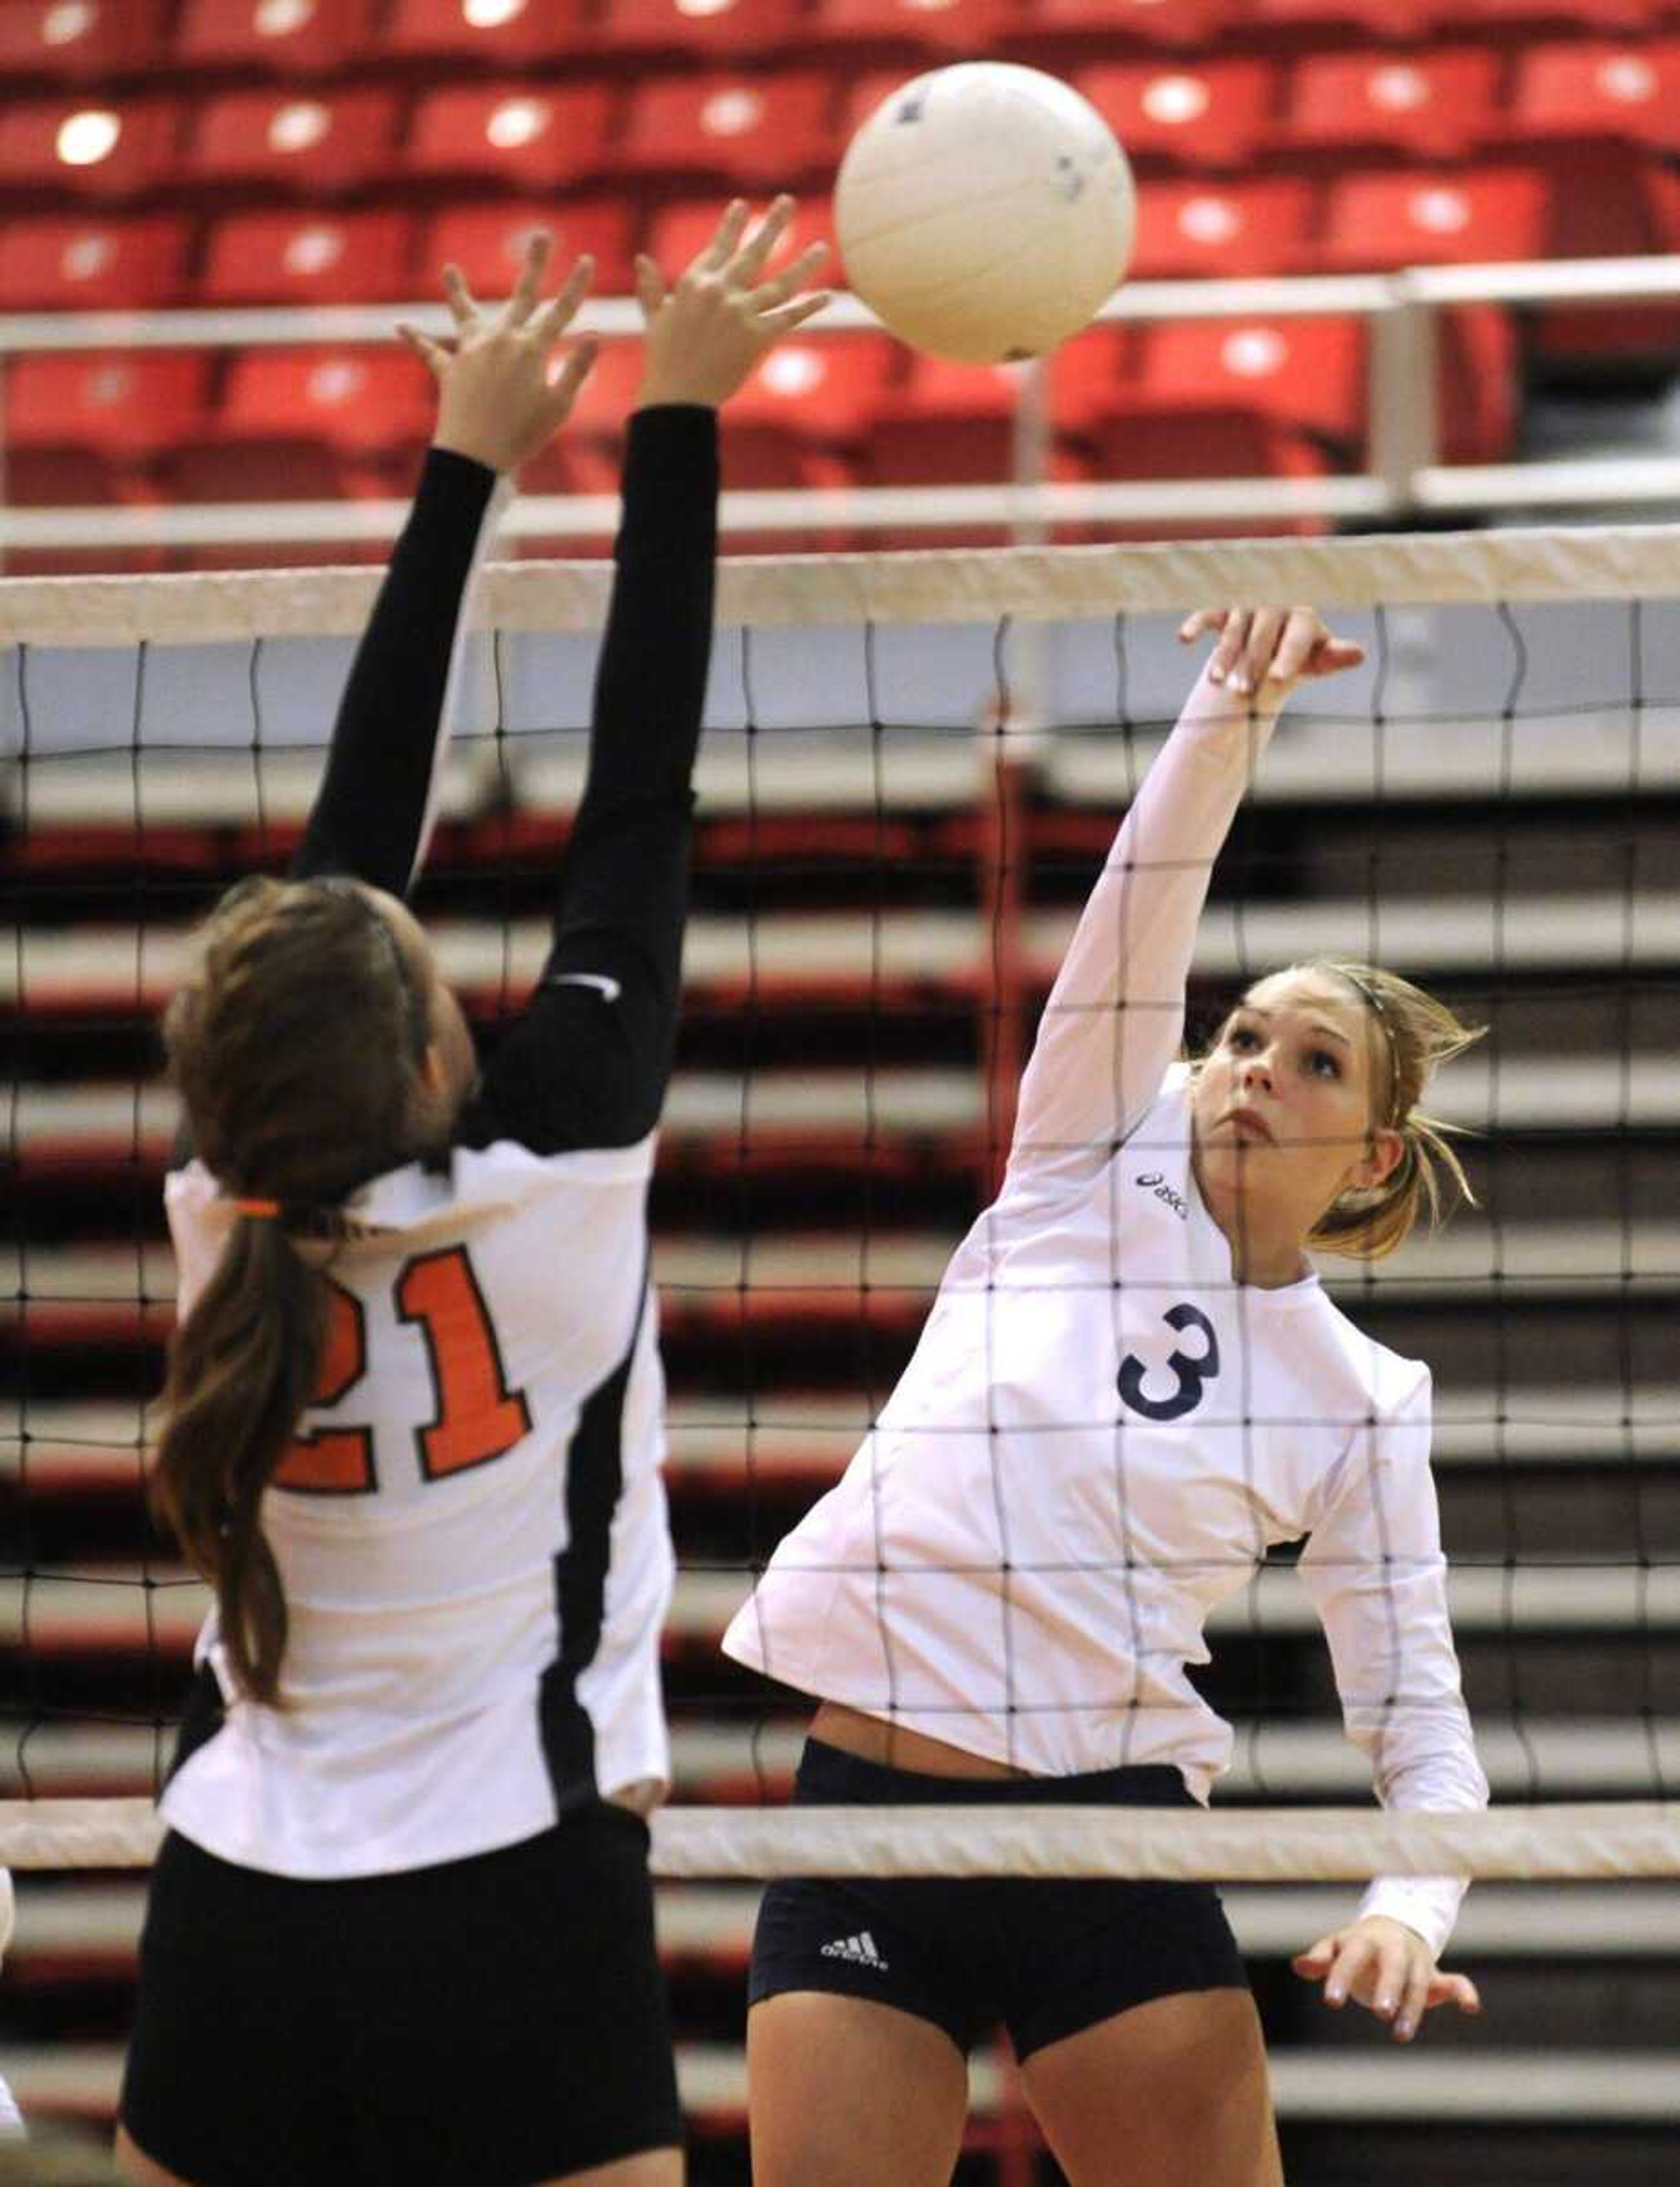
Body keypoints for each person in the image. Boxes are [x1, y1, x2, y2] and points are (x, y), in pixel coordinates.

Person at [115, 201, 828, 2187]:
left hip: (234, 1887)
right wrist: (663, 421)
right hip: (514, 1877)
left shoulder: (225, 1203)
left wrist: (470, 469)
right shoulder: (556, 1167)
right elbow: (636, 793)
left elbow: (405, 849)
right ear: (434, 1051)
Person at [723, 606, 1489, 2187]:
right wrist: (1236, 701)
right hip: (866, 1814)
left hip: (1103, 1847)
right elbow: (1138, 916)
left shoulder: (1357, 1396)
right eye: (1242, 1035)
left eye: (1317, 1062)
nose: (1255, 1067)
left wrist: (1408, 1912)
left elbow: (1426, 1739)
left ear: (1375, 1158)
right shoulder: (1086, 1154)